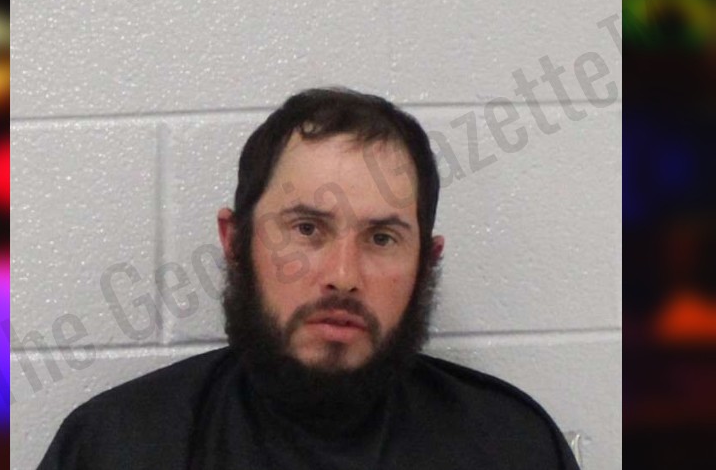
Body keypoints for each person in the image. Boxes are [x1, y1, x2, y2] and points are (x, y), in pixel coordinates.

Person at [38, 88, 580, 469]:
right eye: (306, 229)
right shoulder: (117, 448)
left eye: (382, 238)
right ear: (235, 242)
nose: (342, 276)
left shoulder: (512, 447)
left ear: (427, 262)